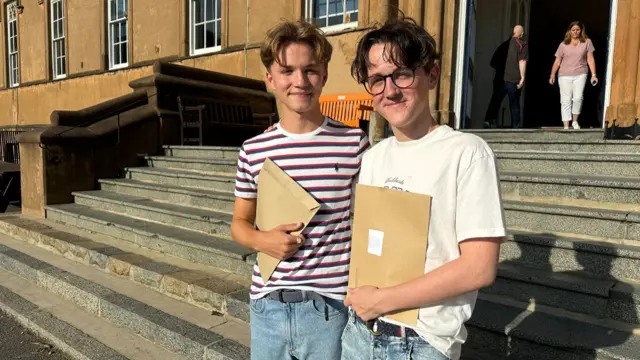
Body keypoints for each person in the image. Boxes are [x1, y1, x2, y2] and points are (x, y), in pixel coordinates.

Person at [341, 16, 506, 360]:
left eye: (401, 73)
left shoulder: (467, 153)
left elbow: (479, 267)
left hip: (420, 343)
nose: (390, 89)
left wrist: (381, 300)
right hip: (358, 334)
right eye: (376, 80)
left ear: (430, 75)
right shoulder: (373, 158)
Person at [230, 20, 369, 360]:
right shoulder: (253, 150)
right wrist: (263, 240)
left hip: (329, 310)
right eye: (287, 70)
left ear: (323, 74)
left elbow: (367, 227)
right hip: (267, 308)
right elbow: (239, 224)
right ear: (270, 79)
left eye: (310, 70)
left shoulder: (354, 144)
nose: (299, 81)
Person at [549, 21, 597, 129]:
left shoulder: (587, 42)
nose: (575, 32)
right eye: (573, 30)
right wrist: (552, 74)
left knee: (578, 97)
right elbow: (557, 61)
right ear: (569, 31)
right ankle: (566, 125)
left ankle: (575, 121)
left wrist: (594, 74)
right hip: (564, 75)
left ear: (581, 31)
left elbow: (590, 59)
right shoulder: (563, 44)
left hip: (580, 73)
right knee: (565, 100)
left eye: (577, 30)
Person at [483, 38, 511, 128]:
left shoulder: (501, 47)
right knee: (514, 101)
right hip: (509, 77)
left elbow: (492, 63)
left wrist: (499, 68)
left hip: (499, 77)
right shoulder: (517, 48)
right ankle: (515, 123)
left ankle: (488, 120)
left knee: (495, 99)